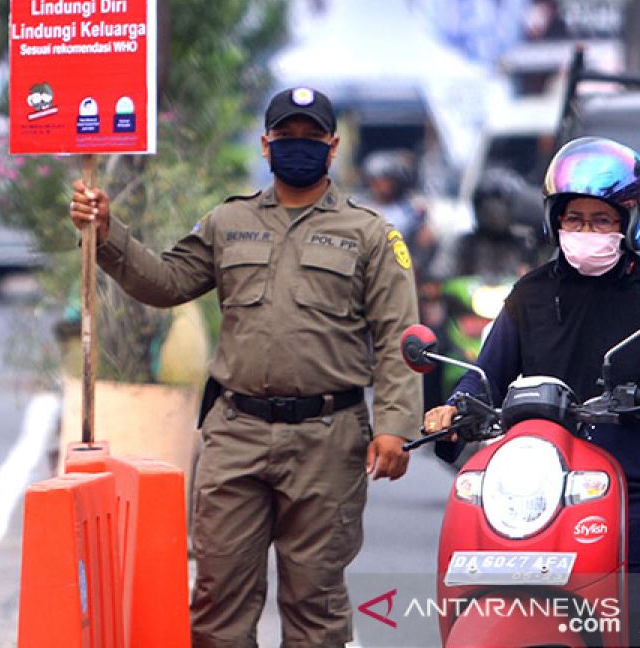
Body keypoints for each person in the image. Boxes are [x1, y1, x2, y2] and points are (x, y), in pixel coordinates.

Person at [69, 86, 422, 646]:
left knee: (315, 604)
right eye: (286, 137)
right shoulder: (227, 223)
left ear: (332, 148)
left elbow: (398, 336)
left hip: (328, 438)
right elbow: (167, 283)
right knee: (218, 600)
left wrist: (394, 428)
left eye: (311, 139)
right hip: (237, 433)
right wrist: (108, 235)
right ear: (265, 144)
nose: (298, 147)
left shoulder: (370, 235)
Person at [424, 136, 640, 648]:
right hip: (540, 482)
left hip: (638, 482)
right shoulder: (529, 293)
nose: (586, 231)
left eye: (602, 220)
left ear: (630, 222)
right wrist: (452, 408)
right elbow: (484, 375)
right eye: (574, 219)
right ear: (555, 222)